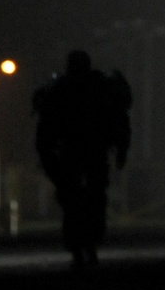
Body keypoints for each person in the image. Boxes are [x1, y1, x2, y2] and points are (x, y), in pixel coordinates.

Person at [33, 50, 132, 269]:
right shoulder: (97, 87)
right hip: (87, 153)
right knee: (85, 200)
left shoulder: (62, 89)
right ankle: (85, 245)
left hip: (78, 153)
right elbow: (119, 121)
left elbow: (45, 127)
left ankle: (81, 246)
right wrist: (121, 150)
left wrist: (47, 155)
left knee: (78, 201)